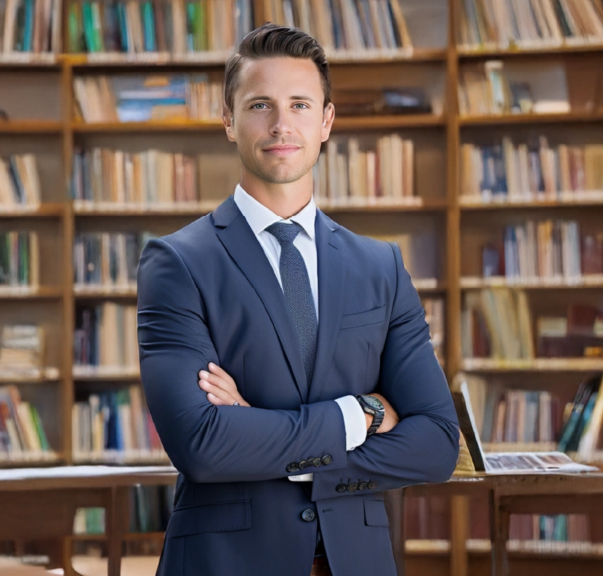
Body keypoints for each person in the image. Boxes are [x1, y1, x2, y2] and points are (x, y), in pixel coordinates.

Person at [136, 23, 460, 576]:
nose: (281, 124)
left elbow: (436, 442)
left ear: (326, 121)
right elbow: (202, 443)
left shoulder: (380, 266)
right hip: (228, 564)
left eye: (300, 105)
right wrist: (361, 413)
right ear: (228, 120)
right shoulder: (177, 263)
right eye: (260, 105)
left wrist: (263, 433)